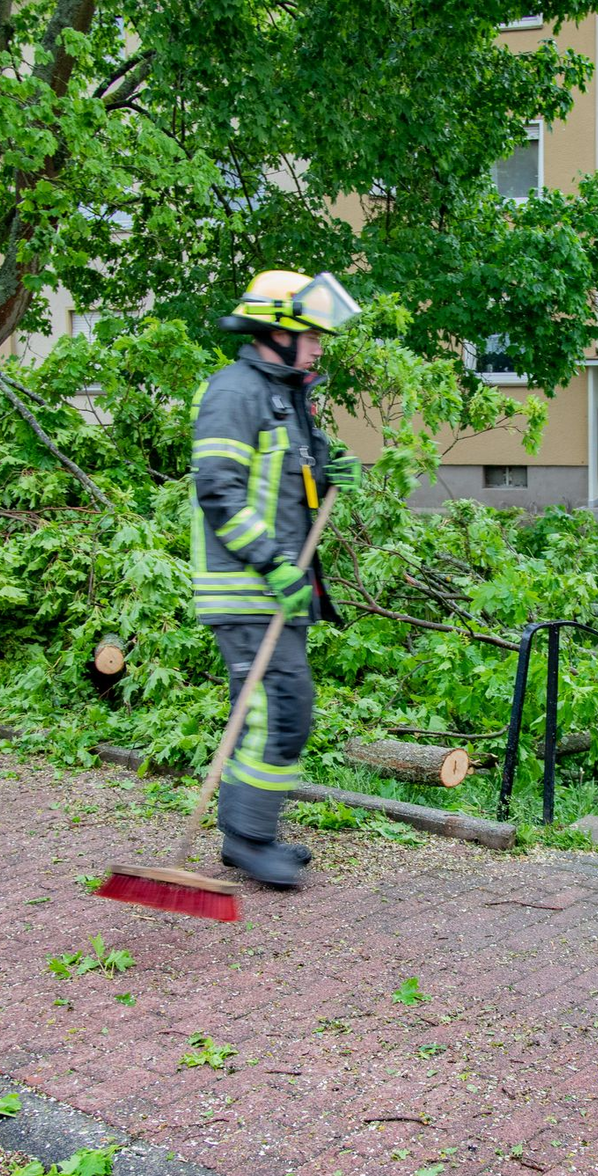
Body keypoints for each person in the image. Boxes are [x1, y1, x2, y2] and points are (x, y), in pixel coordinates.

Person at [190, 269, 362, 887]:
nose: (319, 344)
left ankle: (254, 834)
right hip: (247, 590)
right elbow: (219, 492)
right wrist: (272, 564)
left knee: (284, 709)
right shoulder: (234, 391)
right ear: (277, 331)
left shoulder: (282, 395)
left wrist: (325, 463)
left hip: (277, 590)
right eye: (311, 333)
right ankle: (247, 840)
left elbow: (289, 487)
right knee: (277, 712)